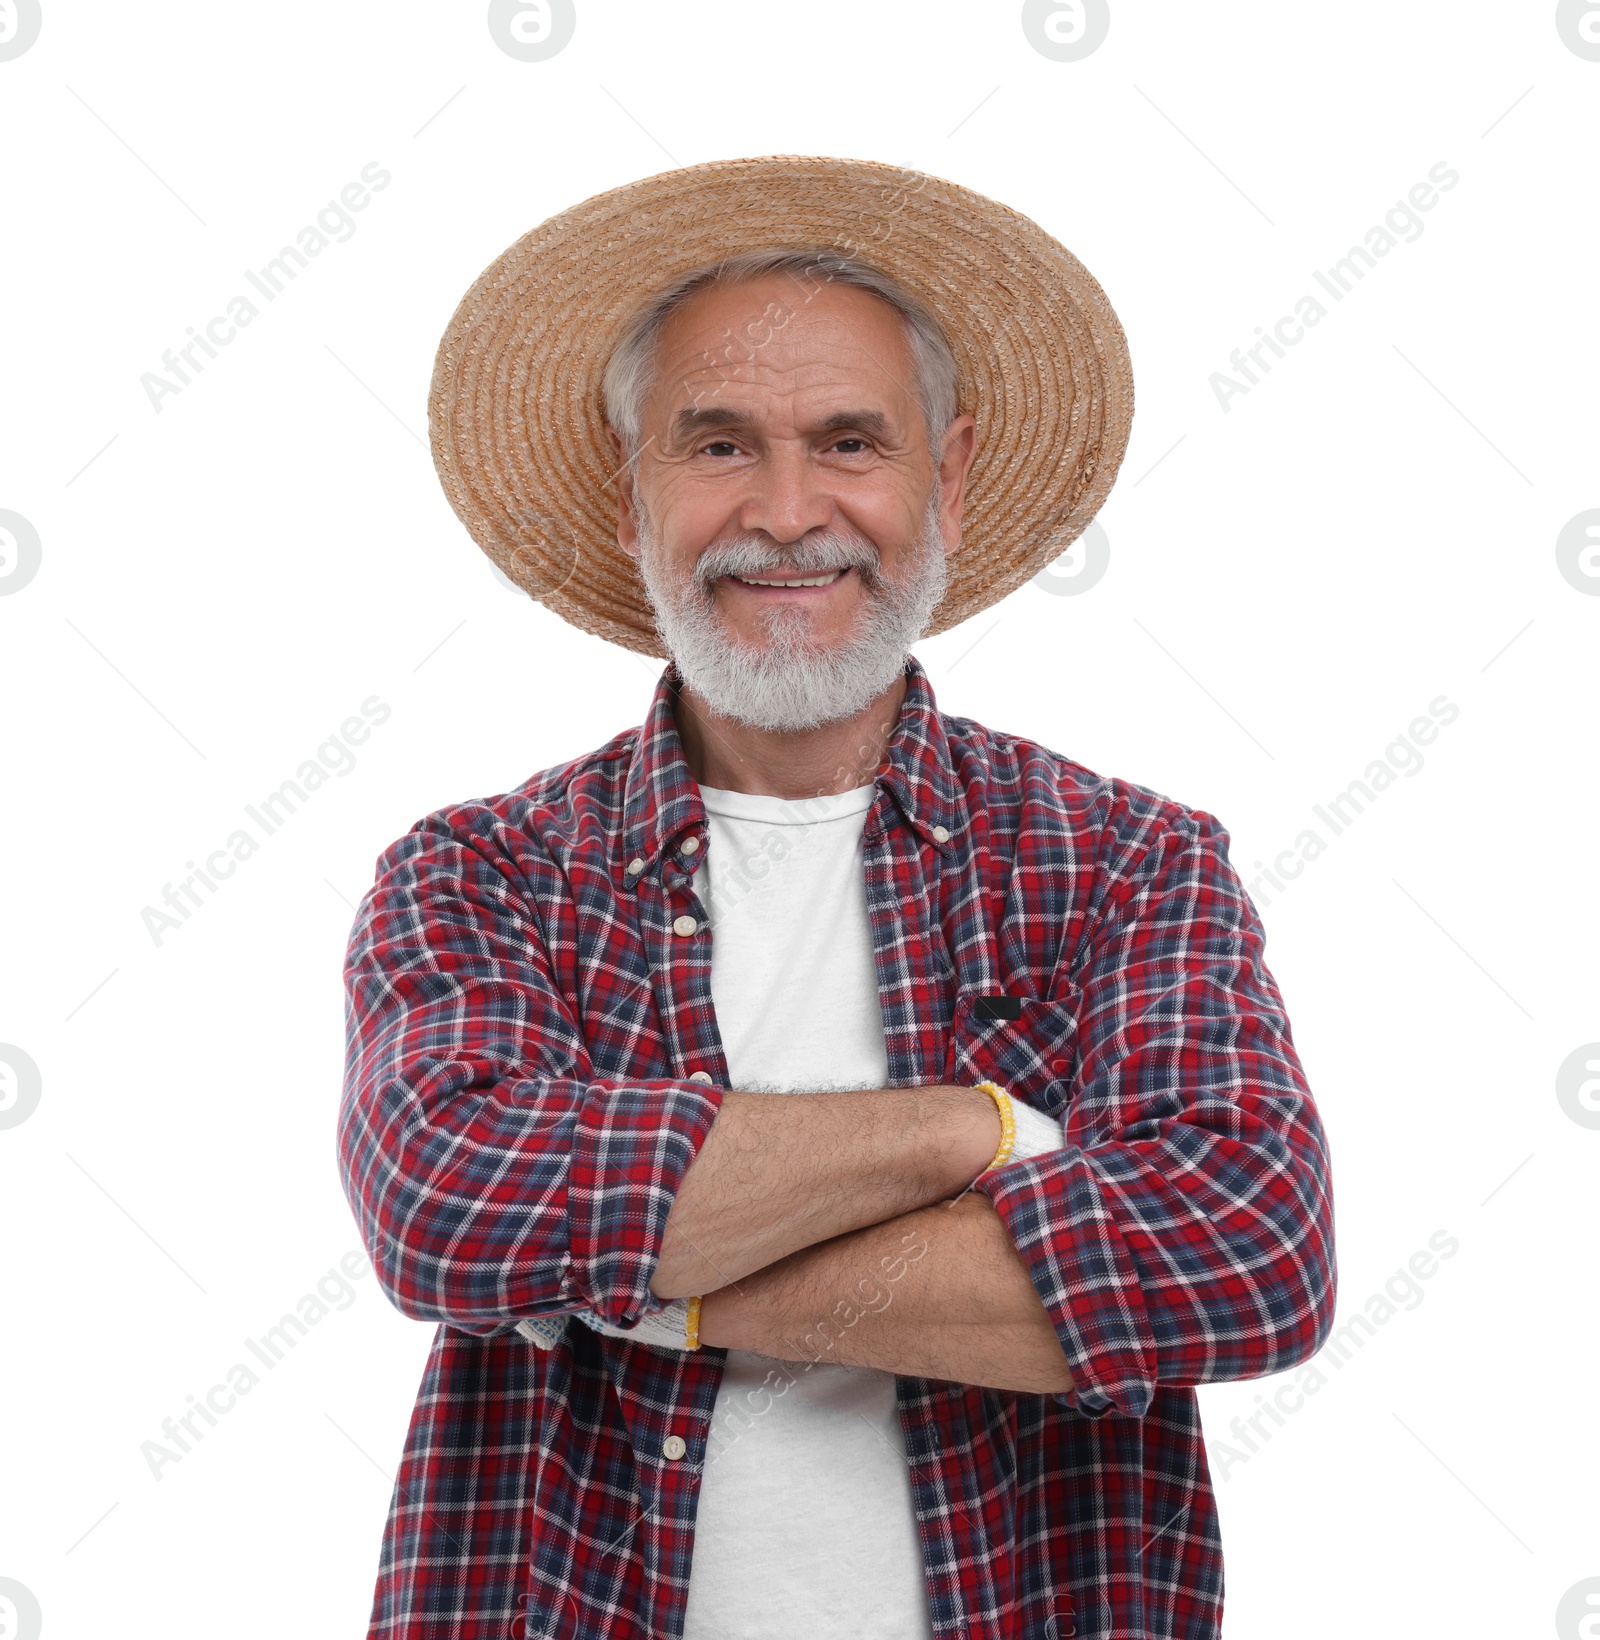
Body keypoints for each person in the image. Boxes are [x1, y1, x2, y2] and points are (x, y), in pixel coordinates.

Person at [338, 155, 1336, 1640]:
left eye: (849, 440)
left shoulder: (1128, 862)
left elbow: (1244, 1258)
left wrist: (640, 1277)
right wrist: (979, 1129)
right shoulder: (479, 872)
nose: (790, 511)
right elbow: (452, 1211)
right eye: (720, 444)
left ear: (952, 473)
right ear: (633, 496)